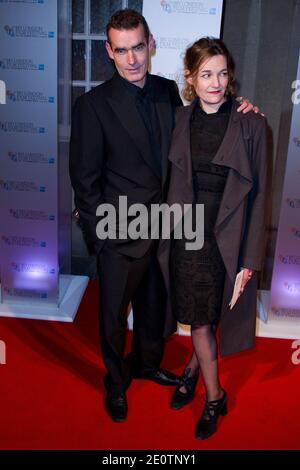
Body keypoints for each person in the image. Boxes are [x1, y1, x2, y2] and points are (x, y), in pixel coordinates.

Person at [69, 10, 257, 423]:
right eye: (122, 50)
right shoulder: (93, 105)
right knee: (113, 318)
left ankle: (147, 363)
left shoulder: (168, 91)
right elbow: (84, 180)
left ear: (150, 44)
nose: (132, 58)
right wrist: (100, 238)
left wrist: (241, 109)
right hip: (120, 231)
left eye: (138, 46)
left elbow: (199, 130)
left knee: (155, 309)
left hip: (168, 228)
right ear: (109, 52)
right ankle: (115, 384)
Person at [158, 37, 268, 439]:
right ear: (190, 77)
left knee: (207, 319)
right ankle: (198, 378)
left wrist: (250, 259)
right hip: (186, 239)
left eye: (222, 73)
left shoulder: (251, 123)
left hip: (228, 239)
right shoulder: (178, 119)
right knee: (199, 318)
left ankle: (213, 397)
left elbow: (257, 198)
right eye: (206, 74)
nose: (216, 82)